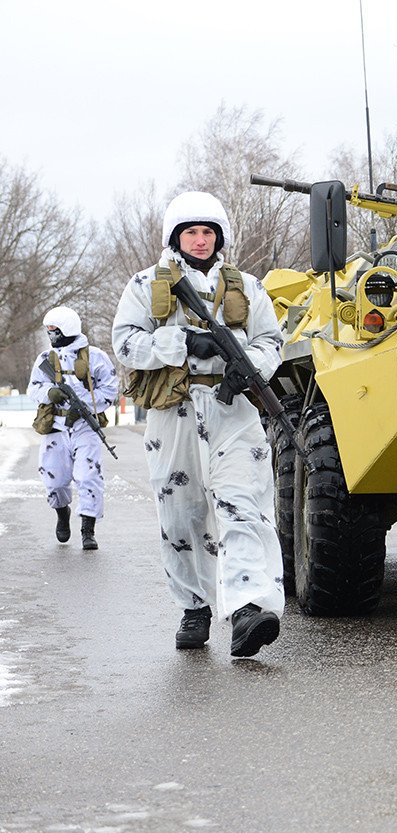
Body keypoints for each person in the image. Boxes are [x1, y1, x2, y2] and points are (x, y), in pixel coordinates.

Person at [111, 191, 285, 657]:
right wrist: (183, 343)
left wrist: (249, 367)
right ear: (176, 236)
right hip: (176, 410)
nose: (201, 240)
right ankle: (195, 607)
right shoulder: (145, 284)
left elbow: (272, 340)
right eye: (191, 231)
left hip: (233, 410)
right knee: (182, 513)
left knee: (243, 504)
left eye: (209, 232)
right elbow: (125, 343)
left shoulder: (247, 285)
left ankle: (248, 608)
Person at [27, 306, 120, 550]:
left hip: (84, 426)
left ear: (67, 329)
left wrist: (85, 405)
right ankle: (62, 513)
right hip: (55, 427)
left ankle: (88, 529)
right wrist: (50, 392)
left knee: (89, 477)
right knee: (54, 480)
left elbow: (110, 389)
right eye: (48, 331)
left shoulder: (96, 357)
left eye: (54, 330)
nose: (51, 335)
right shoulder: (45, 359)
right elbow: (33, 388)